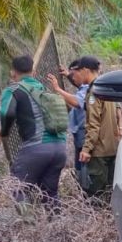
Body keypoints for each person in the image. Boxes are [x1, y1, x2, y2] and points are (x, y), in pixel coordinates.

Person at [0, 54, 68, 204]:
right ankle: (56, 225)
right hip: (60, 148)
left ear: (13, 72)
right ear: (34, 71)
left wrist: (3, 132)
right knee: (50, 194)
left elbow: (7, 113)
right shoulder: (43, 89)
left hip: (37, 147)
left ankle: (28, 225)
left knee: (18, 187)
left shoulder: (14, 89)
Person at [46, 56, 100, 189]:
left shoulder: (91, 89)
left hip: (85, 133)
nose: (73, 77)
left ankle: (86, 192)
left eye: (75, 74)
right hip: (80, 133)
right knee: (80, 166)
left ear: (84, 71)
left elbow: (77, 102)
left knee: (84, 166)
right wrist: (67, 75)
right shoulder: (87, 87)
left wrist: (58, 89)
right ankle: (83, 190)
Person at [79, 64, 122, 200]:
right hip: (113, 147)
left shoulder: (94, 92)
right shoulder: (109, 88)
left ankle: (96, 217)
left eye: (79, 72)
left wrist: (87, 149)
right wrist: (120, 130)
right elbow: (119, 112)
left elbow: (93, 124)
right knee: (111, 189)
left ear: (86, 70)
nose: (79, 76)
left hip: (99, 151)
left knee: (96, 193)